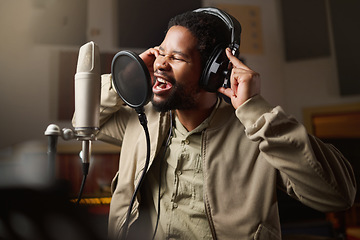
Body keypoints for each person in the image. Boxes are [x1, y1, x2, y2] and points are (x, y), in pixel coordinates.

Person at [81, 8, 356, 240]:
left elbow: (338, 196)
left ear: (213, 73)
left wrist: (257, 112)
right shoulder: (141, 122)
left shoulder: (258, 133)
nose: (160, 64)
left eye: (176, 57)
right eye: (160, 52)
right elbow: (83, 118)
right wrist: (128, 78)